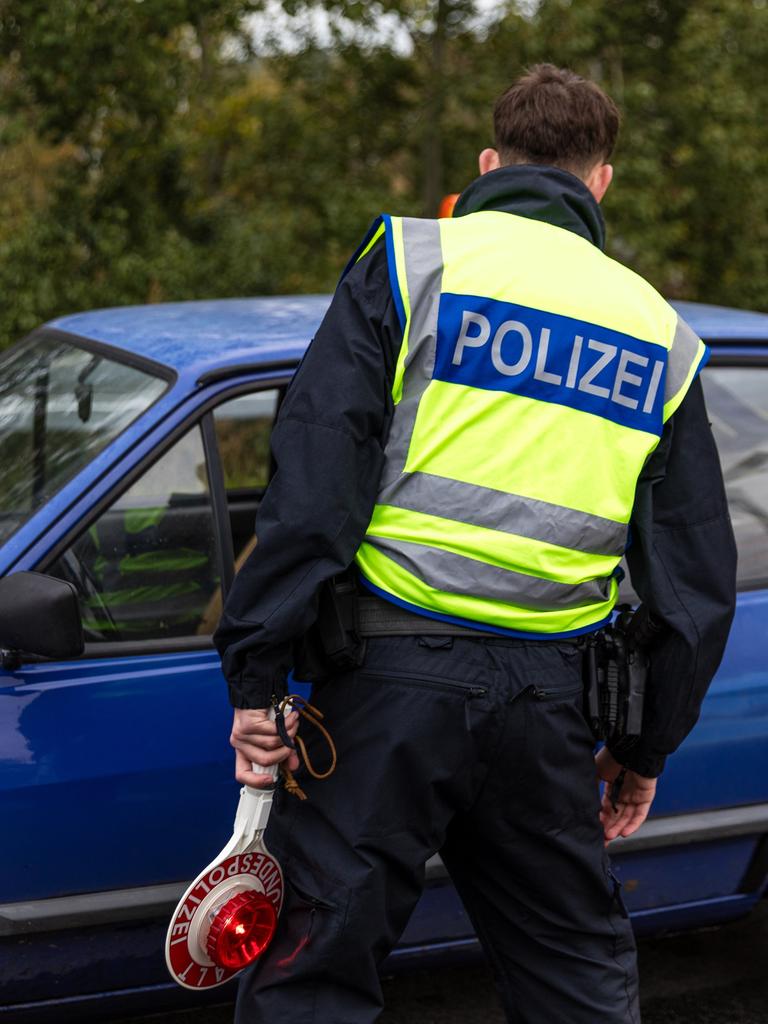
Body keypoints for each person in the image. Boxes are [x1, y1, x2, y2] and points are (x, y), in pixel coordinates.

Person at [214, 64, 737, 1024]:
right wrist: (644, 744)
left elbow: (317, 477)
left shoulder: (415, 261)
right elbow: (697, 578)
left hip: (385, 692)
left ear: (490, 163)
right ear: (601, 181)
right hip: (551, 708)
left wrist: (258, 677)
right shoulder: (657, 331)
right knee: (574, 980)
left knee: (313, 977)